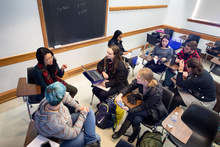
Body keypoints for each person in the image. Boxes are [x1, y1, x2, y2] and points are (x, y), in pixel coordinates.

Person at [35, 82, 101, 147]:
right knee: (97, 137)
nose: (65, 95)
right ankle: (91, 142)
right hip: (60, 140)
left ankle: (91, 142)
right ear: (62, 98)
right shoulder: (54, 124)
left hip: (66, 122)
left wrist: (78, 107)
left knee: (89, 112)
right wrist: (83, 115)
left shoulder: (49, 99)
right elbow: (74, 133)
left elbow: (66, 97)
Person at [112, 68, 167, 143]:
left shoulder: (155, 91)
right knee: (136, 119)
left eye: (138, 77)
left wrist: (129, 109)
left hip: (153, 110)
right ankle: (135, 132)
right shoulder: (142, 81)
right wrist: (120, 94)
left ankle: (121, 131)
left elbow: (144, 106)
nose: (136, 78)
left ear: (144, 81)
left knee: (132, 113)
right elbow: (130, 86)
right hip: (144, 103)